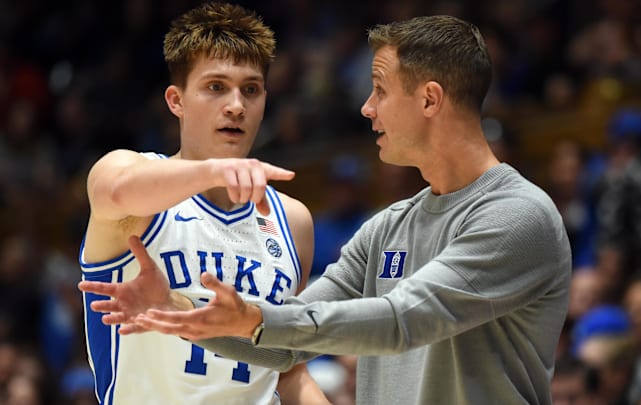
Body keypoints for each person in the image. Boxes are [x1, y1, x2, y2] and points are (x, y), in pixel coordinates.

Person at [80, 14, 572, 404]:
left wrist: (248, 319)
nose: (366, 107)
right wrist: (179, 309)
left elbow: (400, 321)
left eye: (379, 89)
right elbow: (287, 340)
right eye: (215, 87)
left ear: (429, 100)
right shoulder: (386, 228)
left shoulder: (517, 215)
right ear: (175, 100)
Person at [77, 3, 328, 404]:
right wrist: (215, 170)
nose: (236, 105)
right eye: (216, 87)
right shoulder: (127, 172)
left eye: (251, 89)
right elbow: (119, 190)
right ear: (176, 101)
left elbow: (287, 368)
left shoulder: (292, 220)